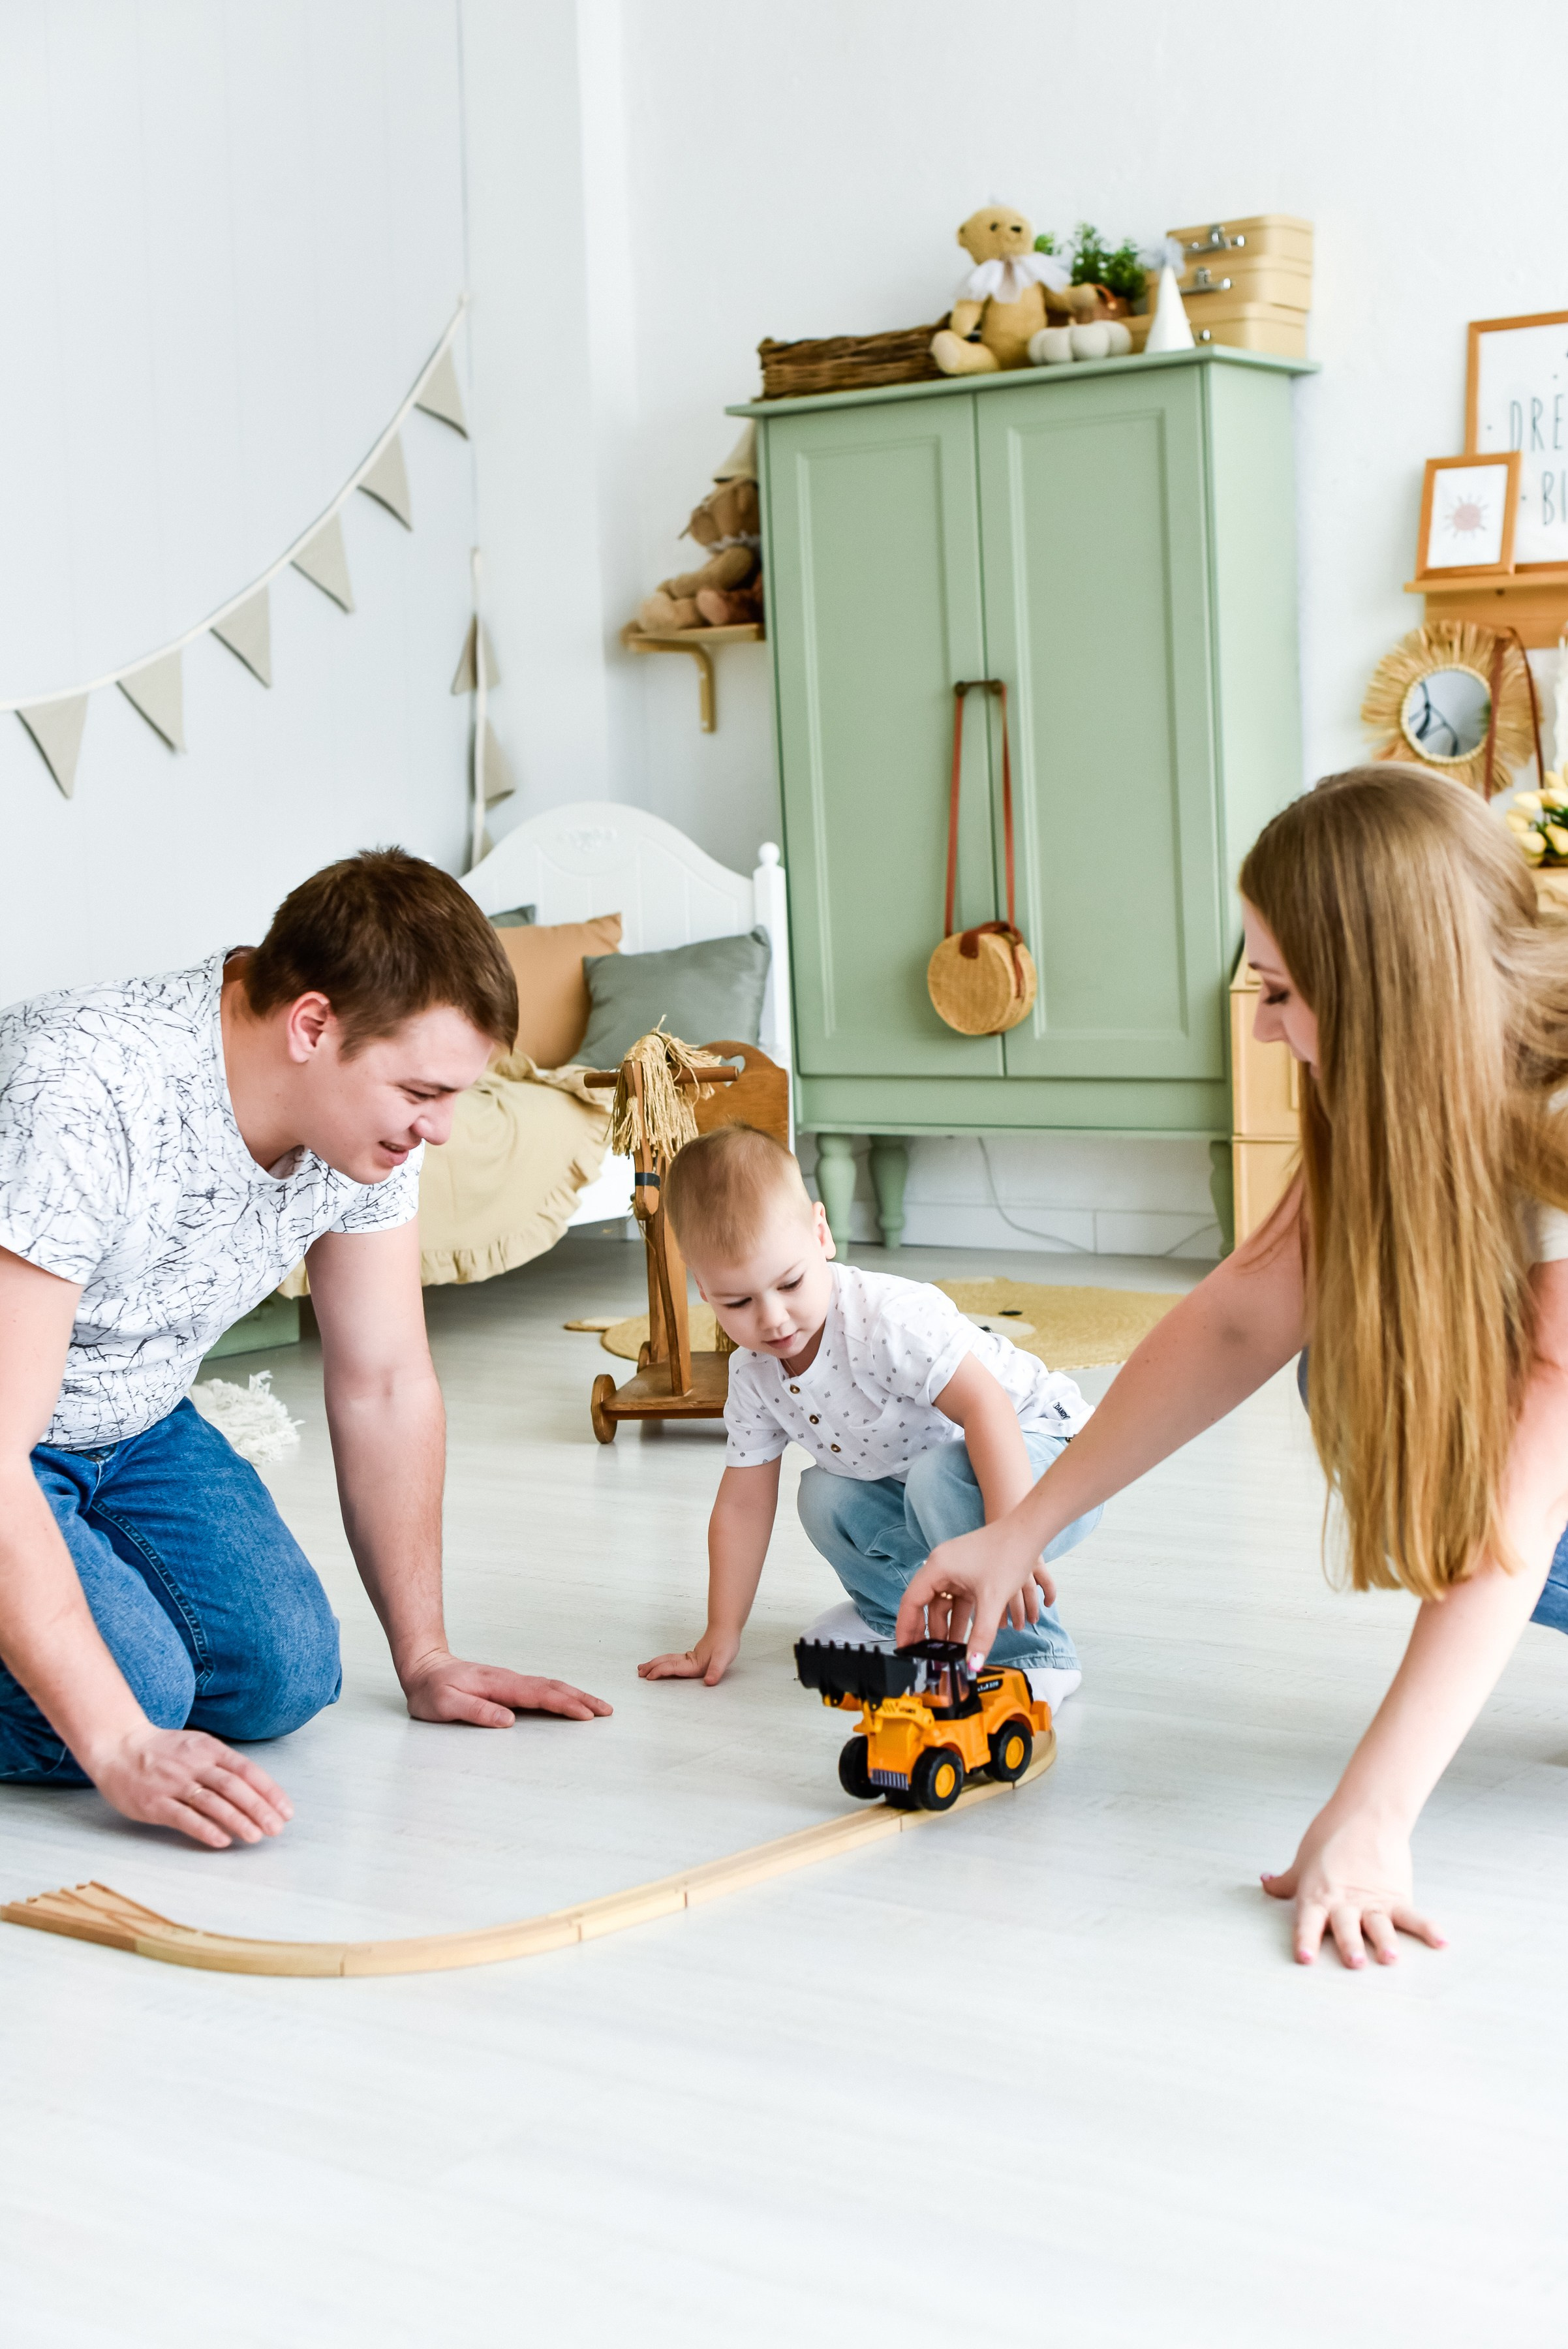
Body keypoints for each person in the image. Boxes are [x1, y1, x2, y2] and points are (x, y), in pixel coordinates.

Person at [894, 765, 1568, 1969]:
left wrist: (1372, 1811)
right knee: (1346, 1363)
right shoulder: (1404, 1088)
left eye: (1280, 992)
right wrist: (1022, 1529)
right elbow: (1239, 1318)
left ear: (1384, 995)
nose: (1262, 1025)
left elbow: (1517, 1505)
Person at [0, 848, 610, 1852]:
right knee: (139, 1694)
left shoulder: (365, 1131)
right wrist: (116, 1742)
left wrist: (425, 1658)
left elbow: (385, 1381)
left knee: (284, 1672)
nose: (444, 1129)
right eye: (423, 1090)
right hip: (14, 1433)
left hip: (135, 1419)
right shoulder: (80, 1088)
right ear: (313, 1025)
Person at [638, 1122, 1099, 1698]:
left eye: (789, 1284)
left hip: (1049, 1463)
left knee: (938, 1479)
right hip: (936, 1485)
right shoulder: (754, 1375)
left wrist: (1013, 1538)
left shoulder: (887, 1319)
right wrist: (720, 1630)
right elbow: (741, 1504)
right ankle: (896, 1616)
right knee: (824, 1496)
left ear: (821, 1233)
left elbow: (987, 1407)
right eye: (739, 1301)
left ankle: (1033, 1656)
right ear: (704, 1292)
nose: (773, 1319)